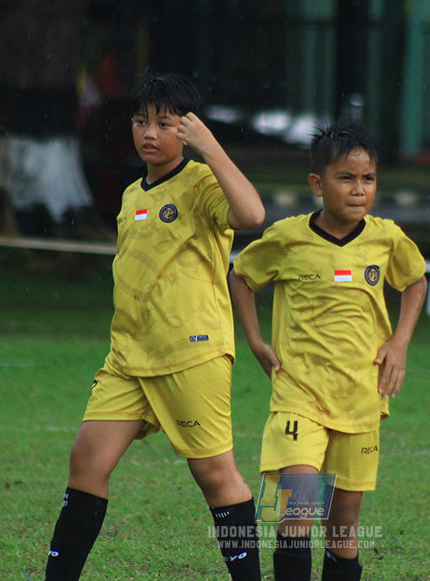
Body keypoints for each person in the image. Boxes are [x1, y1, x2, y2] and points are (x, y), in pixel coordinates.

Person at [45, 72, 266, 580]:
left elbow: (251, 213)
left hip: (191, 355)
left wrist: (210, 147)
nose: (149, 133)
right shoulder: (130, 195)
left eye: (164, 124)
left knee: (216, 477)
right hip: (128, 359)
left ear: (187, 129)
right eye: (141, 122)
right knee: (87, 463)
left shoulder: (202, 182)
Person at [229, 123, 428, 581]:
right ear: (317, 184)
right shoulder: (288, 238)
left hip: (360, 396)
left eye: (369, 179)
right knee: (295, 514)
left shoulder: (386, 238)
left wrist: (399, 343)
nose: (359, 190)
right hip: (298, 395)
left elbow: (415, 281)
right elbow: (241, 275)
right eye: (346, 178)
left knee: (343, 529)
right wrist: (256, 339)